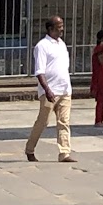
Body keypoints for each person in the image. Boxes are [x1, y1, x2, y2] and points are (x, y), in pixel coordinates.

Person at [26, 16, 74, 163]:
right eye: (59, 27)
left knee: (64, 121)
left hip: (65, 89)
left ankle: (64, 153)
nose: (62, 29)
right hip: (50, 91)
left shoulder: (62, 44)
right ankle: (30, 149)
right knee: (43, 121)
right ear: (51, 29)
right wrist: (47, 90)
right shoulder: (42, 46)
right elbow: (40, 71)